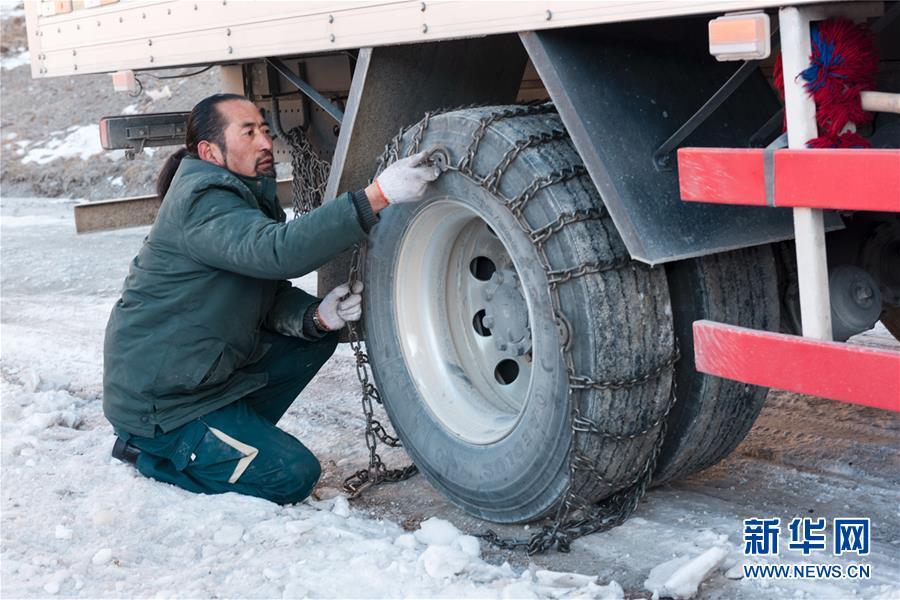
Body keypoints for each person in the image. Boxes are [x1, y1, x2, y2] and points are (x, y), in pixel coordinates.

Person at [103, 93, 439, 505]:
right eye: (248, 133)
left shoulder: (241, 194)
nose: (266, 142)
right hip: (164, 407)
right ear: (210, 152)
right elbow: (278, 251)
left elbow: (262, 288)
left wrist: (317, 316)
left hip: (202, 381)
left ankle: (231, 435)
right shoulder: (201, 200)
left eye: (264, 129)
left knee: (312, 339)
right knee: (292, 475)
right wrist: (376, 196)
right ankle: (152, 456)